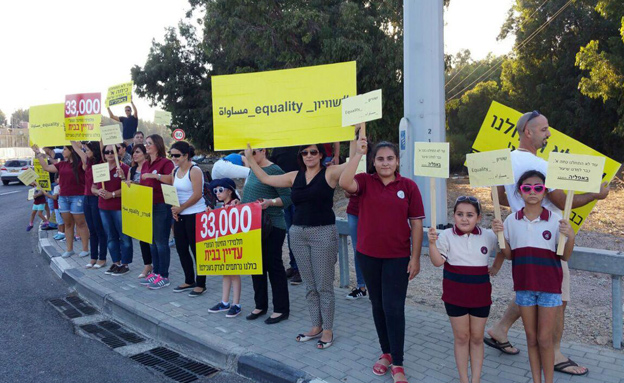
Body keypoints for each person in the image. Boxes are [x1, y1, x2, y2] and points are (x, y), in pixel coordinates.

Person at [486, 111, 608, 376]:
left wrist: (520, 204)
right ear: (528, 132)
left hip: (520, 234)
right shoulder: (540, 167)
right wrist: (596, 194)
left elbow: (501, 196)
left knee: (531, 289)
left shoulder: (506, 161)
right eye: (544, 129)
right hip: (547, 237)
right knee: (556, 297)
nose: (549, 134)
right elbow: (565, 202)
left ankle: (500, 330)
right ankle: (554, 355)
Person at [246, 138, 354, 349]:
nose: (309, 156)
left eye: (313, 152)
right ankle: (316, 326)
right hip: (298, 234)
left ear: (321, 154)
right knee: (310, 285)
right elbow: (266, 179)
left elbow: (350, 166)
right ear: (301, 156)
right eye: (305, 153)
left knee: (324, 286)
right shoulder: (295, 176)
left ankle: (328, 329)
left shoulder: (329, 173)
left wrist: (358, 149)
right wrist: (250, 159)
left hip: (323, 232)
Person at [339, 135, 424, 383]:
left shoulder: (408, 187)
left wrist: (415, 258)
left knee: (394, 309)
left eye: (390, 158)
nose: (385, 163)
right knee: (378, 306)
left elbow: (417, 224)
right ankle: (385, 352)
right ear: (373, 162)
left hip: (397, 258)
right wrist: (357, 153)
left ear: (397, 161)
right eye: (380, 159)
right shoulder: (365, 182)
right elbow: (345, 182)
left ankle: (398, 362)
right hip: (368, 257)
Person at [501, 170, 575, 383]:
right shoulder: (510, 221)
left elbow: (565, 255)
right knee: (531, 339)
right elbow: (509, 255)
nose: (532, 191)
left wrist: (570, 237)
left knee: (545, 339)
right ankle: (536, 380)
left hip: (550, 288)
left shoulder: (556, 220)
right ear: (519, 191)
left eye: (538, 187)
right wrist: (500, 236)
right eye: (526, 188)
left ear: (544, 191)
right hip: (523, 288)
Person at [427, 196, 502, 383]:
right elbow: (437, 262)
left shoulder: (488, 235)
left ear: (478, 217)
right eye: (460, 214)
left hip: (481, 296)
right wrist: (431, 244)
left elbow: (504, 250)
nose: (464, 219)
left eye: (470, 215)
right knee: (462, 337)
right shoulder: (445, 236)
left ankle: (475, 379)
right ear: (453, 216)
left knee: (477, 338)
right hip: (455, 296)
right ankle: (463, 379)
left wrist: (495, 267)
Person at [242, 148, 292, 324]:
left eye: (253, 152)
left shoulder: (274, 170)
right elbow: (248, 195)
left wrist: (270, 202)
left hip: (272, 225)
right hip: (253, 225)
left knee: (274, 266)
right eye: (247, 152)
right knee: (256, 266)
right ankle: (260, 304)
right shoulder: (252, 170)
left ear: (263, 151)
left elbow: (287, 198)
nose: (249, 156)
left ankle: (281, 309)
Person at [33, 144, 90, 258]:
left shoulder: (80, 164)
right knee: (68, 224)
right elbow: (46, 168)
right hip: (63, 197)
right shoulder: (61, 164)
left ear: (71, 151)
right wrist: (38, 153)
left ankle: (85, 249)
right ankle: (69, 249)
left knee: (80, 223)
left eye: (65, 149)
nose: (62, 151)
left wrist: (76, 145)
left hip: (78, 197)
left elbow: (85, 159)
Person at [169, 141, 207, 297]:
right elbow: (173, 192)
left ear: (186, 155)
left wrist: (181, 208)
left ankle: (201, 283)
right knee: (181, 248)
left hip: (195, 213)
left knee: (197, 250)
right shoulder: (174, 171)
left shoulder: (195, 170)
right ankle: (189, 279)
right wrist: (174, 208)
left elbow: (197, 195)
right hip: (180, 213)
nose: (173, 158)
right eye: (171, 155)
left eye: (177, 155)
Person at [139, 134, 174, 290]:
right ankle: (156, 272)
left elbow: (172, 179)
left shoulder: (166, 162)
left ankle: (164, 276)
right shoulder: (146, 163)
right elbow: (144, 183)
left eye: (149, 143)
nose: (146, 146)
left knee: (161, 242)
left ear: (157, 145)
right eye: (145, 143)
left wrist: (155, 175)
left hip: (161, 206)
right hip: (147, 205)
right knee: (152, 242)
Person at [93, 145, 132, 275]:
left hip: (119, 208)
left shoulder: (124, 168)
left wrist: (113, 194)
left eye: (112, 151)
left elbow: (129, 188)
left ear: (118, 152)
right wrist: (98, 191)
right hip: (103, 208)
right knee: (110, 236)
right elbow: (92, 187)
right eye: (106, 152)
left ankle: (125, 264)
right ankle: (116, 262)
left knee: (124, 236)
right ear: (103, 154)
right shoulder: (100, 169)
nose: (109, 154)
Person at [207, 178, 243, 317]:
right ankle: (225, 301)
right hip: (224, 245)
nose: (217, 193)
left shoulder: (235, 205)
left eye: (220, 190)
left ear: (230, 191)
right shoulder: (221, 207)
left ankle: (236, 304)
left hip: (234, 245)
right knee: (226, 273)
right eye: (215, 191)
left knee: (234, 274)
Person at [269, 146, 302, 285]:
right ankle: (294, 266)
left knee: (298, 232)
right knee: (290, 232)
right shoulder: (277, 149)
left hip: (299, 195)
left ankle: (301, 269)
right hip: (283, 196)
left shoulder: (302, 147)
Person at [74, 141, 107, 266]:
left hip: (96, 197)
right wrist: (70, 134)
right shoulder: (88, 161)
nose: (85, 152)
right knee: (91, 229)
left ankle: (102, 258)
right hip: (86, 197)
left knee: (99, 229)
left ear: (94, 150)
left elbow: (102, 147)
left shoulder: (101, 162)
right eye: (85, 150)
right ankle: (93, 257)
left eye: (87, 150)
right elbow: (77, 149)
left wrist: (101, 135)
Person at [127, 144, 152, 278]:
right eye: (133, 153)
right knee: (143, 238)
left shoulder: (150, 166)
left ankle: (158, 267)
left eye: (137, 152)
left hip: (150, 205)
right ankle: (147, 264)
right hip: (138, 207)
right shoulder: (132, 169)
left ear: (144, 153)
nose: (134, 155)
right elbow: (128, 186)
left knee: (153, 239)